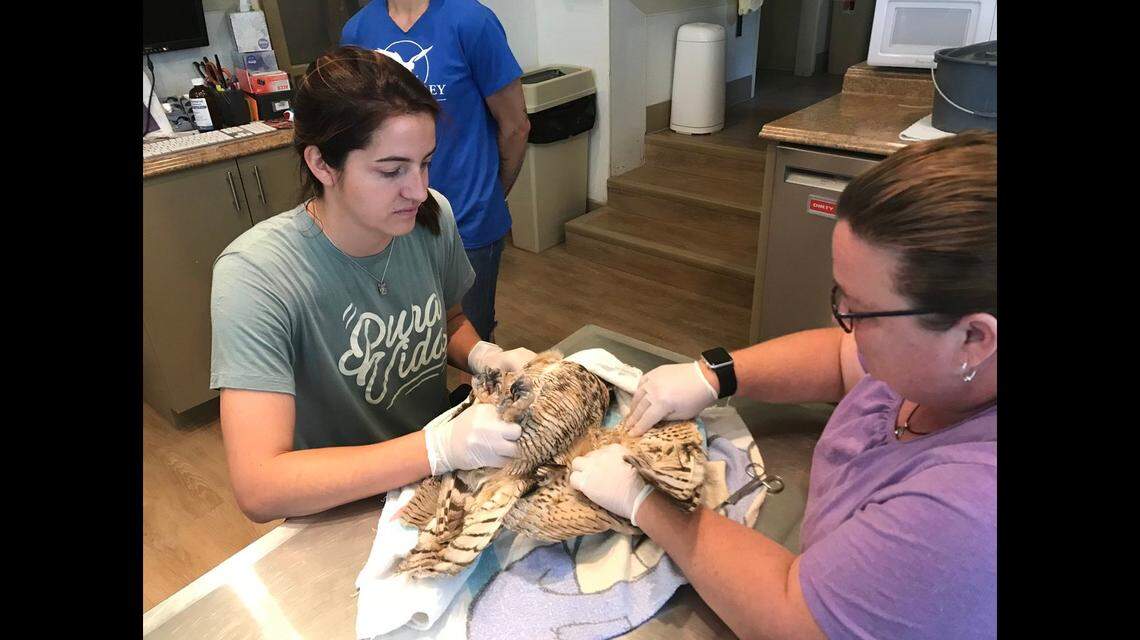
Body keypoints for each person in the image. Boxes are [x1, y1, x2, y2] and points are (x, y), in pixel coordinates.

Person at [569, 132, 997, 639]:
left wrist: (646, 502)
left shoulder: (970, 512)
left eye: (861, 310)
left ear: (974, 337)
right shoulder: (943, 369)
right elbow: (842, 361)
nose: (842, 321)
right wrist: (716, 374)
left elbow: (793, 618)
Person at [209, 47, 535, 523]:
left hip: (435, 485)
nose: (418, 189)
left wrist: (483, 356)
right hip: (340, 507)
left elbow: (449, 320)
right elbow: (260, 487)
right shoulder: (257, 277)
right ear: (322, 165)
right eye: (391, 170)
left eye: (425, 163)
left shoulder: (430, 218)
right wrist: (436, 447)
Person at [341, 0, 531, 343]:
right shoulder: (357, 31)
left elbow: (516, 126)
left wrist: (491, 193)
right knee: (406, 340)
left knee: (468, 336)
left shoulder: (471, 22)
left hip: (466, 220)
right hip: (391, 225)